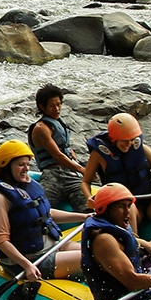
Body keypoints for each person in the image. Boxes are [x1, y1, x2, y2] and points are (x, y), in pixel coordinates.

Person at [0, 140, 88, 283]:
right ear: (6, 167)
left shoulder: (27, 186)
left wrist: (83, 217)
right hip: (31, 260)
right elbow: (1, 241)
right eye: (20, 165)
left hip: (52, 246)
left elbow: (46, 213)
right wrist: (27, 265)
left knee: (98, 252)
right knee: (92, 258)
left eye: (27, 164)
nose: (26, 168)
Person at [80, 112, 151, 244]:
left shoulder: (143, 150)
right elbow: (86, 182)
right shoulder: (99, 155)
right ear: (113, 139)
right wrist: (89, 197)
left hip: (149, 202)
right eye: (124, 140)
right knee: (130, 208)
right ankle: (135, 248)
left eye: (131, 140)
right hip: (125, 205)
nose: (128, 144)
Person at [26, 84, 88, 213]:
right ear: (42, 107)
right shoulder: (41, 128)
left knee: (88, 206)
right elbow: (58, 156)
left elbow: (66, 149)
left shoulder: (58, 123)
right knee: (40, 211)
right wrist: (82, 170)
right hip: (52, 175)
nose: (57, 109)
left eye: (59, 104)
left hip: (70, 175)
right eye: (52, 106)